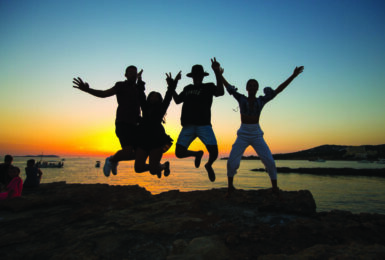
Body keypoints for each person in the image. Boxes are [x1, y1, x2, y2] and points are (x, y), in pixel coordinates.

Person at [221, 66, 304, 195]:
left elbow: (278, 90)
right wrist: (218, 73)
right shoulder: (241, 98)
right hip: (243, 133)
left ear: (257, 88)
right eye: (251, 85)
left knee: (269, 161)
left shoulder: (261, 100)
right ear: (247, 88)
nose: (253, 87)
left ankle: (274, 187)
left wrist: (293, 76)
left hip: (256, 134)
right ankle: (230, 187)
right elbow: (228, 87)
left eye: (255, 85)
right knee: (232, 162)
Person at [73, 66, 145, 177]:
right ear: (125, 75)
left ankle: (114, 160)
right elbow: (103, 94)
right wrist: (87, 89)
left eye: (134, 73)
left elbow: (143, 104)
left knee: (138, 154)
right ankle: (111, 160)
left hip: (136, 125)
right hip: (123, 123)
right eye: (130, 73)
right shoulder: (120, 85)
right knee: (127, 152)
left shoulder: (138, 89)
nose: (133, 75)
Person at [172, 58, 224, 182]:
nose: (197, 77)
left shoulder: (209, 86)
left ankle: (208, 165)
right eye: (195, 75)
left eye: (199, 75)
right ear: (192, 77)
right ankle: (196, 154)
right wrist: (172, 86)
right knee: (179, 153)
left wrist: (217, 73)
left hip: (204, 124)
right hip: (188, 125)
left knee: (214, 153)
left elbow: (221, 92)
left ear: (202, 76)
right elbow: (177, 100)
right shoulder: (187, 88)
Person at [134, 72, 181, 178]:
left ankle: (164, 166)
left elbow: (169, 95)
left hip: (157, 139)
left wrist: (174, 82)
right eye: (152, 96)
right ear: (149, 98)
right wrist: (139, 79)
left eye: (157, 97)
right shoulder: (145, 107)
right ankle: (159, 166)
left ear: (160, 100)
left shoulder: (162, 107)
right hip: (143, 138)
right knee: (138, 168)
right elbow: (141, 93)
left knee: (153, 171)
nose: (154, 98)